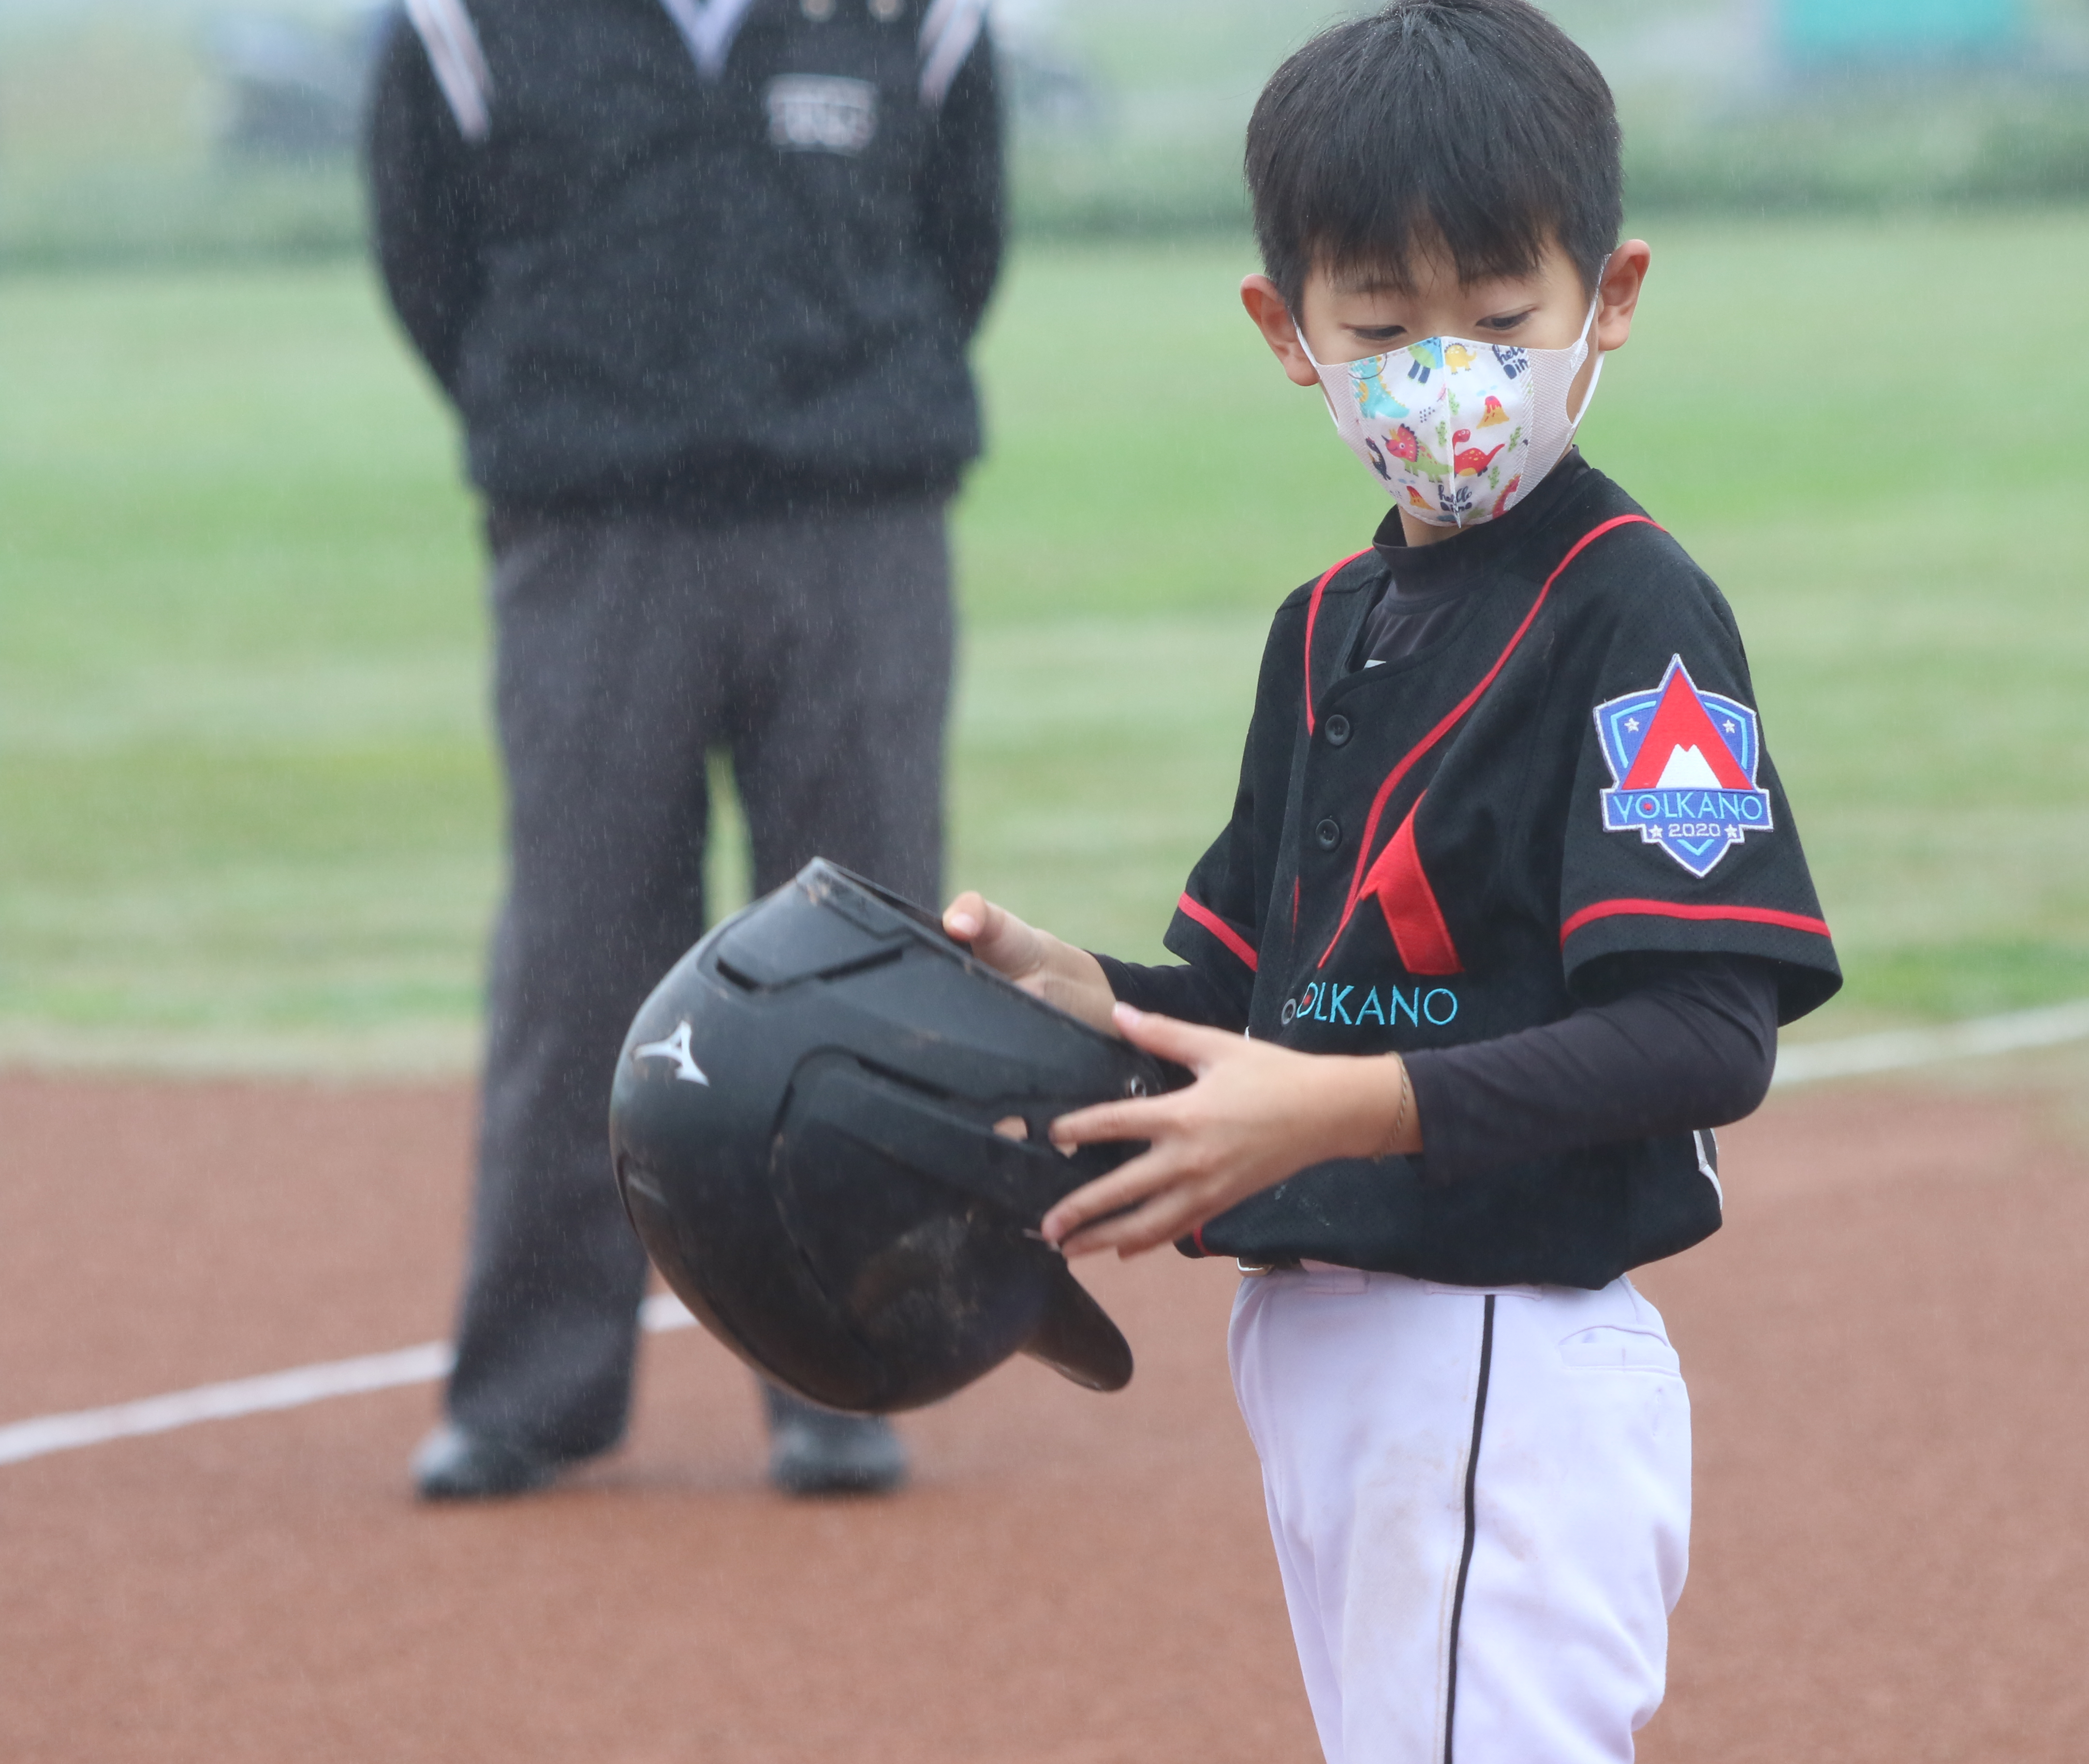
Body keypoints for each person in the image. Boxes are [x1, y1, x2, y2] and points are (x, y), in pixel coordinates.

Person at [940, 2, 1841, 1754]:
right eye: (1381, 324)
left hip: (1496, 1352)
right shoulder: (1326, 630)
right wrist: (1086, 999)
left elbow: (1705, 1031)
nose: (1447, 372)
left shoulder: (1632, 610)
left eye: (1501, 319)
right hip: (1335, 1359)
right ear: (1287, 331)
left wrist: (1342, 1110)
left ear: (1611, 297)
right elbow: (1257, 1006)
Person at [366, 0, 1003, 1500]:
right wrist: (572, 413)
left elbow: (963, 243)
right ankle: (532, 1396)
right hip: (593, 537)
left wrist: (829, 403)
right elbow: (426, 259)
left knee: (865, 953)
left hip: (853, 529)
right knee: (578, 955)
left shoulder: (918, 15)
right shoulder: (463, 21)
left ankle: (844, 1372)